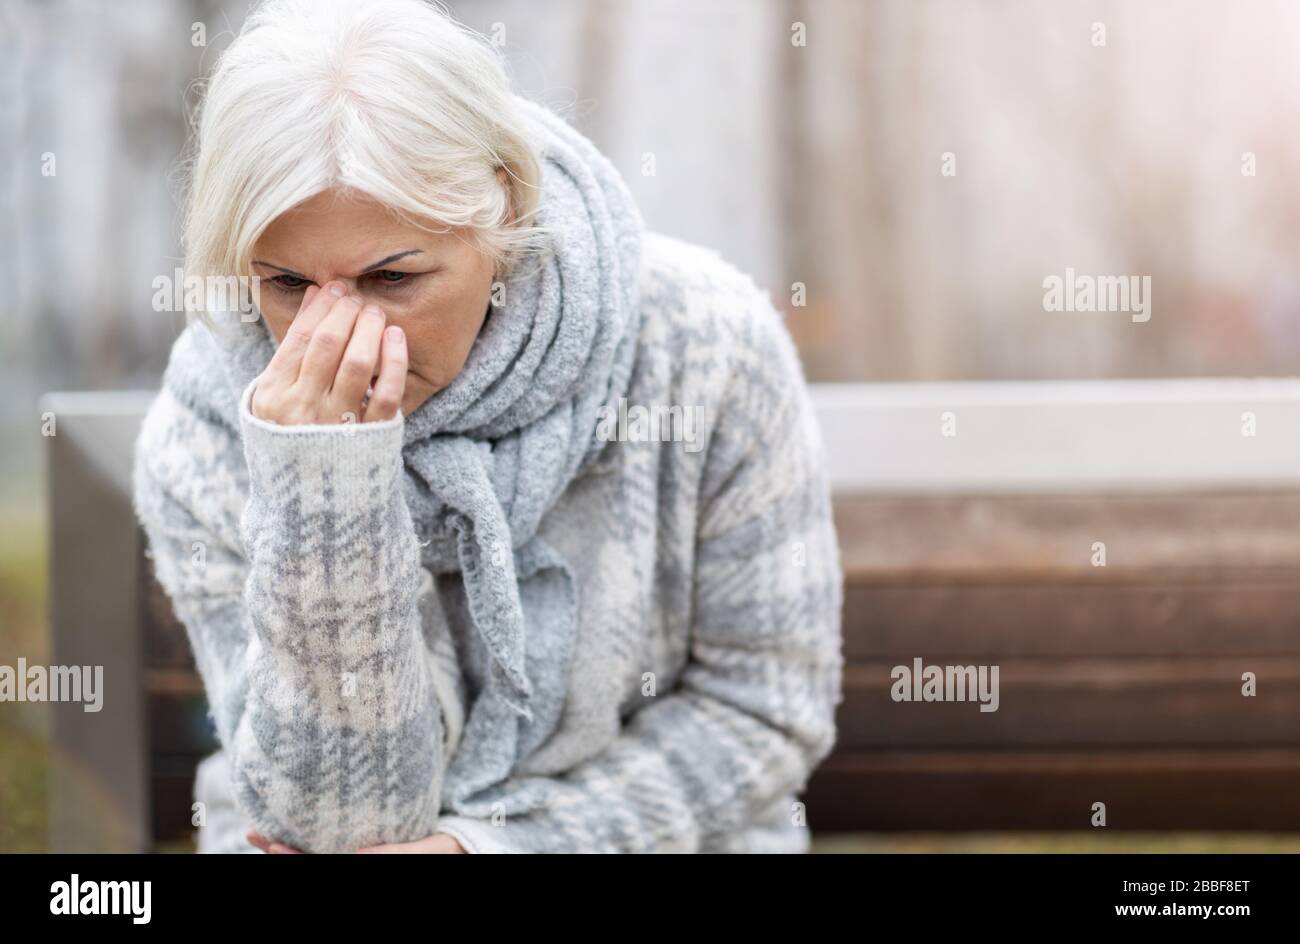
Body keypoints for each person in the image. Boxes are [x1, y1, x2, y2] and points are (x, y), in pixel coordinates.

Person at [133, 0, 844, 854]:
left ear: (502, 209)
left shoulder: (705, 344)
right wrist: (322, 492)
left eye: (393, 277)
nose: (347, 342)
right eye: (287, 284)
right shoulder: (209, 420)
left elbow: (763, 710)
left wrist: (500, 848)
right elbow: (328, 826)